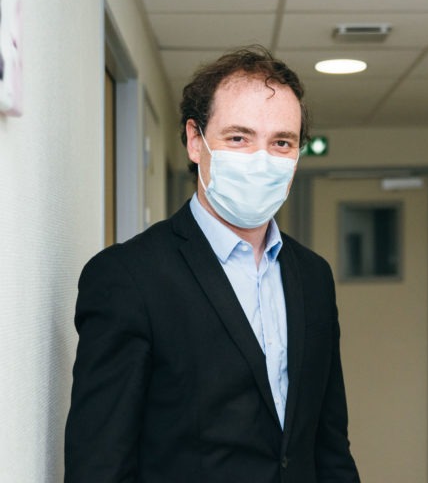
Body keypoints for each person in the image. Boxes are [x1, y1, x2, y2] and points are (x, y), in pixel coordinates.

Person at [64, 46, 360, 483]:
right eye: (239, 138)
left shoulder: (313, 276)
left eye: (282, 142)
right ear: (194, 141)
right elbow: (100, 464)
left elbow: (329, 444)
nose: (262, 159)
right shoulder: (128, 277)